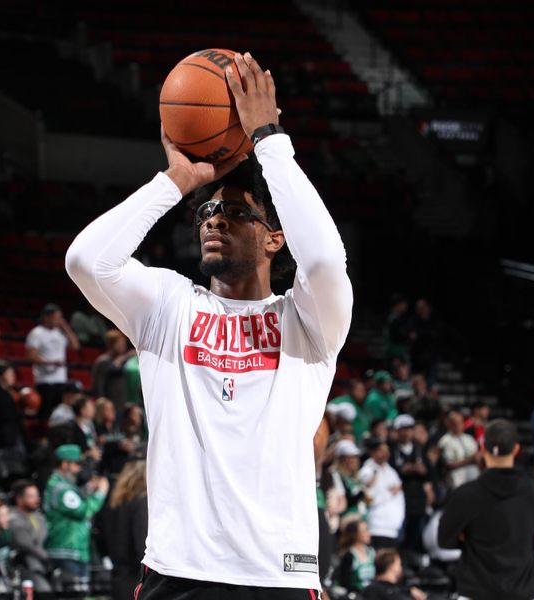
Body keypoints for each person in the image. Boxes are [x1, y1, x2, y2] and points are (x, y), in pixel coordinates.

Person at [67, 51, 352, 597]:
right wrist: (175, 181)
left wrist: (269, 141)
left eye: (238, 213)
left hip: (278, 574)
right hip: (179, 570)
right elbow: (86, 261)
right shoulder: (169, 306)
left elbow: (323, 262)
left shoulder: (307, 321)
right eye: (207, 213)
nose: (216, 219)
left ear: (274, 237)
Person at [439, 419, 534, 600]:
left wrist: (469, 537)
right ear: (516, 449)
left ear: (483, 449)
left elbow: (444, 540)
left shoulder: (466, 494)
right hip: (523, 591)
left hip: (477, 590)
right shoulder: (531, 490)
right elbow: (530, 532)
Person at [44, 444, 109, 591]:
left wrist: (87, 490)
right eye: (76, 464)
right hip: (66, 550)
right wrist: (101, 493)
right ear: (65, 463)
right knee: (74, 595)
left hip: (75, 550)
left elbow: (75, 501)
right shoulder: (61, 488)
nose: (79, 468)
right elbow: (83, 511)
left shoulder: (64, 485)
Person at [104, 459, 149, 600]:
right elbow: (141, 544)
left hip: (118, 575)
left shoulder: (114, 502)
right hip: (134, 579)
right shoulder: (141, 503)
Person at [26, 303, 81, 418]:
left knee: (60, 412)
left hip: (60, 380)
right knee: (46, 414)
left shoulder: (60, 333)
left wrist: (66, 328)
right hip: (45, 381)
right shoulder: (37, 333)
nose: (59, 320)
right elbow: (31, 356)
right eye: (56, 317)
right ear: (47, 317)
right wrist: (51, 363)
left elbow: (75, 346)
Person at [389, 414, 429, 552]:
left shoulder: (420, 448)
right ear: (397, 431)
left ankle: (412, 559)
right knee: (401, 532)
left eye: (409, 429)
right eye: (403, 429)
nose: (406, 432)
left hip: (418, 496)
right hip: (400, 497)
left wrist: (420, 470)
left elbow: (428, 471)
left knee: (417, 530)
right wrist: (407, 470)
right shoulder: (391, 449)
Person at [359, 438, 405, 549]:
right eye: (381, 450)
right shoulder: (367, 471)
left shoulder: (391, 471)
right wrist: (389, 493)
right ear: (373, 452)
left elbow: (398, 491)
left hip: (393, 529)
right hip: (377, 528)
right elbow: (369, 499)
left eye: (387, 450)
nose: (385, 454)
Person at [9, 479, 52, 593]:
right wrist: (46, 557)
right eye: (31, 496)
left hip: (42, 563)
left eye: (37, 496)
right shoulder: (13, 518)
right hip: (22, 565)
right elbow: (26, 544)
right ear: (19, 499)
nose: (36, 499)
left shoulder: (39, 517)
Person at [91, 329, 136, 412]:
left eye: (123, 343)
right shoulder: (103, 361)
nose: (123, 345)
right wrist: (102, 402)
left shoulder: (123, 361)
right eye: (119, 343)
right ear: (112, 344)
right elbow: (99, 384)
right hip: (108, 405)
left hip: (121, 403)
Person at [437, 410, 480, 490]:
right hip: (456, 483)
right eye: (455, 423)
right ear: (449, 424)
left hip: (473, 481)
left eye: (460, 422)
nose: (458, 425)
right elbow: (448, 465)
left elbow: (477, 458)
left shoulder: (469, 438)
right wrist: (469, 460)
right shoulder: (445, 441)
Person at [360, 549, 426, 600]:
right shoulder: (372, 590)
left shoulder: (399, 589)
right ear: (392, 566)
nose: (401, 568)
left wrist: (409, 591)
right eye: (399, 564)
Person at [335, 519, 376, 593]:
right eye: (365, 531)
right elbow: (344, 582)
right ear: (355, 534)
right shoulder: (349, 555)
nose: (368, 533)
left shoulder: (372, 553)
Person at [329, 379, 369, 444]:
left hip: (361, 442)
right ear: (352, 390)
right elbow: (329, 408)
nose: (363, 393)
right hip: (347, 441)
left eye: (363, 390)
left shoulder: (362, 404)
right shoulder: (346, 400)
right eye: (359, 390)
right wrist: (336, 428)